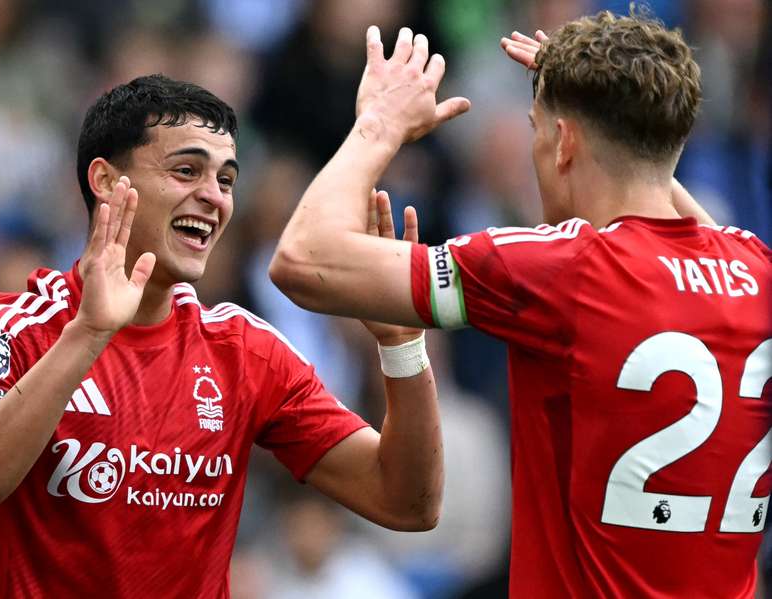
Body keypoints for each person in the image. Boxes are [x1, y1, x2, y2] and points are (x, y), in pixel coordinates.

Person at [269, 13, 772, 598]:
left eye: (538, 128)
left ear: (563, 143)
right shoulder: (754, 270)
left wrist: (378, 125)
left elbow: (302, 258)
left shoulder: (561, 268)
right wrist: (612, 107)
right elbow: (678, 214)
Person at [0, 75, 444, 598]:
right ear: (105, 181)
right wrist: (90, 332)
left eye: (225, 180)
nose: (212, 198)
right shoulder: (8, 331)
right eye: (186, 171)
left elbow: (406, 502)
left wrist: (402, 346)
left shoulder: (244, 352)